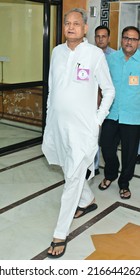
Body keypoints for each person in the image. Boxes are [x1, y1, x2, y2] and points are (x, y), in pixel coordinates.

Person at [42, 8, 115, 258]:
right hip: (58, 127)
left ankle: (60, 233)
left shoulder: (94, 55)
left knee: (71, 178)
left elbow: (109, 90)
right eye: (67, 23)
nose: (71, 27)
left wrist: (97, 121)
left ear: (85, 28)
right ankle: (88, 200)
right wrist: (49, 121)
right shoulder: (57, 52)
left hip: (83, 130)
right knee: (67, 169)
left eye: (76, 23)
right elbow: (53, 89)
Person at [98, 26, 140, 200]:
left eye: (133, 39)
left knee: (129, 154)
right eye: (126, 38)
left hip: (133, 116)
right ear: (121, 39)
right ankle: (111, 173)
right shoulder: (111, 59)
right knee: (106, 146)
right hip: (111, 113)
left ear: (138, 42)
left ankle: (124, 184)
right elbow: (102, 84)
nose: (129, 42)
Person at [94, 25, 116, 175]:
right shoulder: (90, 54)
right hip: (91, 103)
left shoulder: (115, 56)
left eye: (104, 36)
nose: (100, 39)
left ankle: (110, 170)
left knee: (107, 142)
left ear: (109, 38)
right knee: (93, 138)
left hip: (109, 105)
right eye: (98, 36)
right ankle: (94, 167)